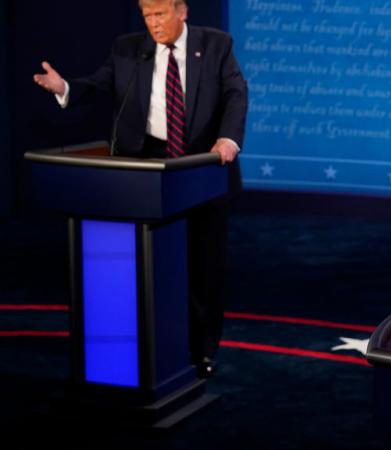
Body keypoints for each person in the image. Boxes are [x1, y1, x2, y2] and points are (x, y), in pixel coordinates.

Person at [33, 0, 248, 378]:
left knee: (203, 266)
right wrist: (64, 87)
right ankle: (153, 345)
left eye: (160, 14)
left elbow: (235, 93)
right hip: (146, 170)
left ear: (181, 12)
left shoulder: (216, 44)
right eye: (147, 15)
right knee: (150, 266)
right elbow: (97, 85)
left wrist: (228, 138)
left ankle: (203, 350)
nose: (153, 23)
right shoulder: (128, 48)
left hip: (202, 167)